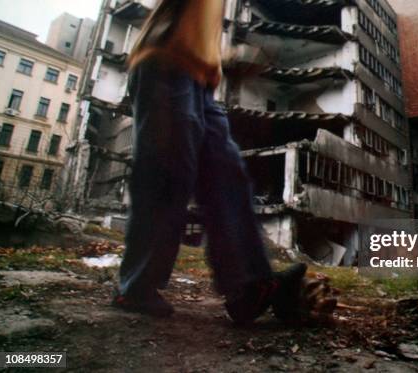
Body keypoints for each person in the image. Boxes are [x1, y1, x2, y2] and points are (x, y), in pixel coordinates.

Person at [112, 0, 307, 323]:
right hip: (163, 62)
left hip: (200, 80)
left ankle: (249, 287)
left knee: (227, 173)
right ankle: (134, 286)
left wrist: (226, 61)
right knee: (169, 175)